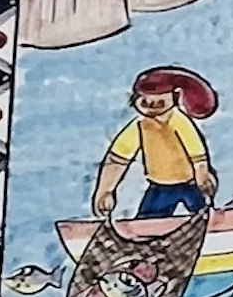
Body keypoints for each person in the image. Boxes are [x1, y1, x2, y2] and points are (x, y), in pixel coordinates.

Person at [91, 64, 220, 223]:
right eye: (144, 101)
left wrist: (203, 175)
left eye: (159, 101)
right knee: (147, 223)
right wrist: (105, 190)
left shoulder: (179, 122)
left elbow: (197, 154)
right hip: (160, 188)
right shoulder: (140, 127)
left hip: (190, 185)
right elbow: (117, 159)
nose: (151, 106)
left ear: (175, 97)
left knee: (205, 218)